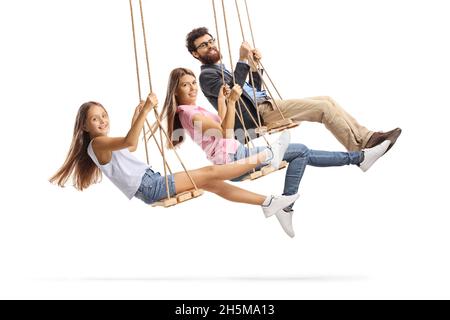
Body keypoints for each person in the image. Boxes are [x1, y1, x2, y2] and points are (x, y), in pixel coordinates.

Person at [162, 68, 391, 238]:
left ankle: (287, 206)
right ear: (176, 90)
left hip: (237, 153)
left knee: (300, 152)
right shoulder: (189, 114)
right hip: (232, 161)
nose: (193, 88)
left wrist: (223, 100)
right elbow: (225, 131)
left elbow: (224, 125)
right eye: (186, 85)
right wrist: (231, 102)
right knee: (300, 151)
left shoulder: (193, 110)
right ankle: (359, 159)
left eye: (193, 83)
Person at [49, 94, 301, 235]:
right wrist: (146, 109)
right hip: (151, 186)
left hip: (151, 183)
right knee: (211, 172)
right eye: (95, 119)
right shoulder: (97, 145)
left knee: (214, 182)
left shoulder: (102, 144)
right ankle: (268, 155)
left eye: (103, 115)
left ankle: (270, 204)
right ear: (84, 126)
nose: (102, 121)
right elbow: (130, 139)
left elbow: (131, 145)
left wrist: (138, 116)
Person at [185, 27, 401, 152]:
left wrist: (252, 65)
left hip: (264, 104)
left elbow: (253, 90)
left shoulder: (220, 68)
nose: (210, 45)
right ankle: (359, 149)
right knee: (323, 107)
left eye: (211, 41)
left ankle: (367, 137)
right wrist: (241, 60)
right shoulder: (206, 76)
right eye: (203, 45)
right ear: (195, 54)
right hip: (257, 116)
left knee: (327, 98)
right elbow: (235, 93)